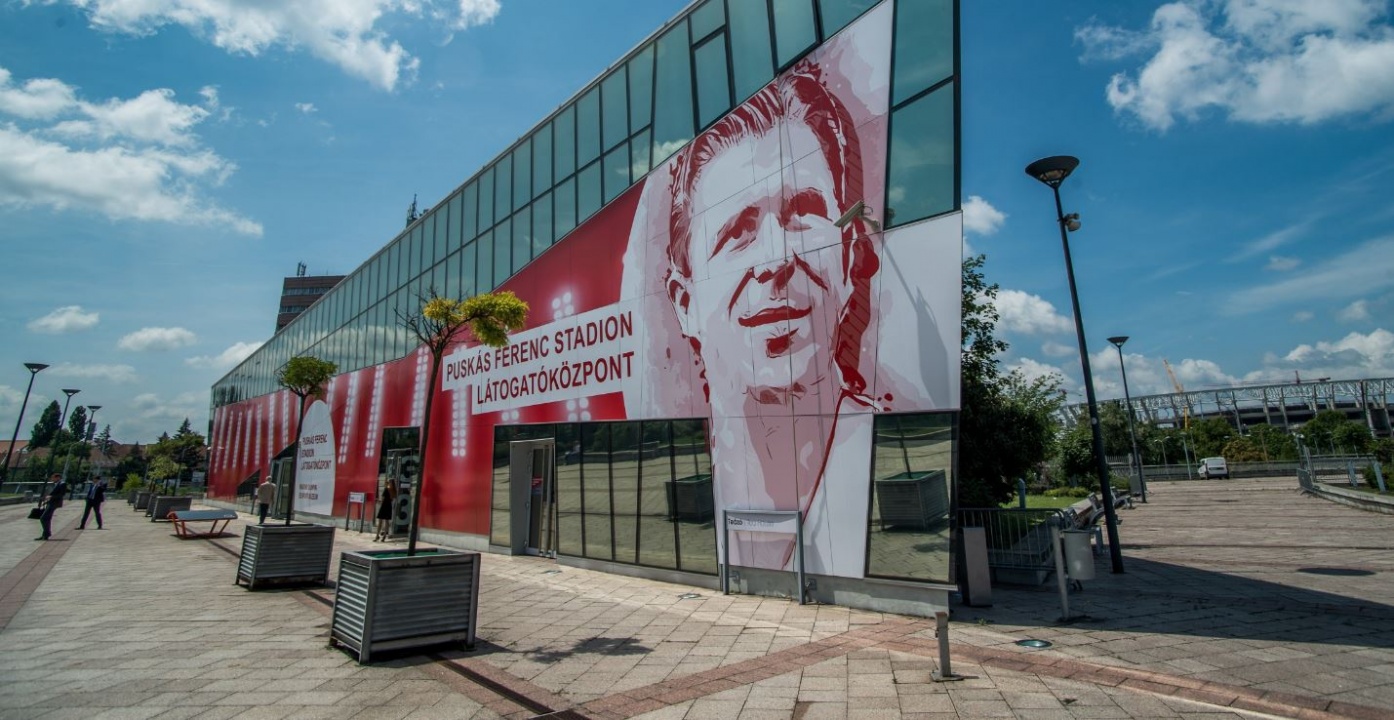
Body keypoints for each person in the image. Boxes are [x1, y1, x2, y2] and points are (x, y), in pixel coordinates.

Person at [662, 57, 882, 577]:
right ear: (685, 304)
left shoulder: (880, 451)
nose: (777, 258)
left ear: (849, 258)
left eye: (804, 212)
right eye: (737, 232)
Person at [35, 473, 69, 541]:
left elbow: (61, 495)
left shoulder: (62, 484)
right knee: (47, 519)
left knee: (43, 518)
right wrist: (47, 499)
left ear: (58, 477)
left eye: (53, 478)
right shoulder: (57, 484)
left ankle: (46, 534)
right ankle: (45, 535)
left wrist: (51, 497)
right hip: (51, 502)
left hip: (54, 503)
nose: (52, 479)